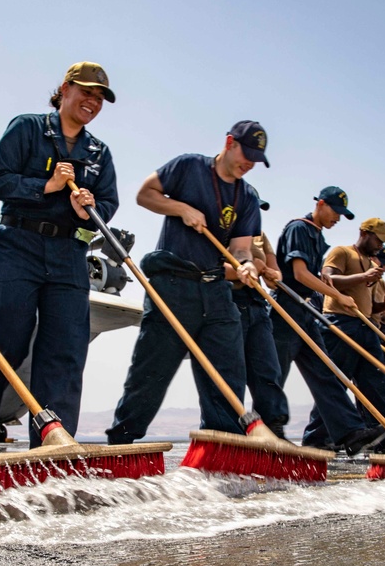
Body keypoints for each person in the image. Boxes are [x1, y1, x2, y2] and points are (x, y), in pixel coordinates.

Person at [0, 62, 119, 454]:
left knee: (65, 351)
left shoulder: (99, 153)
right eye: (86, 92)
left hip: (70, 252)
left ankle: (53, 447)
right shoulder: (27, 128)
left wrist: (89, 208)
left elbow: (109, 203)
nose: (92, 102)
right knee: (4, 339)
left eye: (99, 97)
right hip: (18, 245)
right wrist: (47, 186)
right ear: (65, 89)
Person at [106, 121, 266, 444]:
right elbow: (144, 194)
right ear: (229, 142)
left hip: (217, 289)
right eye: (245, 154)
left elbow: (240, 248)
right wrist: (181, 209)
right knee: (151, 371)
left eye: (255, 159)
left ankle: (223, 446)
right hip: (173, 284)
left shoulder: (247, 196)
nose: (248, 164)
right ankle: (121, 442)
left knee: (227, 374)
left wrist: (247, 265)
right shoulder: (189, 166)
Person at [272, 189, 385, 455]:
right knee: (274, 375)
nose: (338, 219)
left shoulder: (318, 235)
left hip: (308, 309)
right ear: (320, 205)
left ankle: (350, 432)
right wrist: (337, 295)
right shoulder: (300, 228)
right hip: (288, 307)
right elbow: (300, 274)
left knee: (325, 374)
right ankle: (271, 433)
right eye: (335, 212)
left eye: (342, 215)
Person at [318, 219, 385, 435]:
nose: (380, 246)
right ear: (364, 233)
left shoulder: (371, 265)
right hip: (340, 323)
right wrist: (363, 277)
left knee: (376, 382)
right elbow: (326, 279)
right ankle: (317, 437)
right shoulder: (342, 252)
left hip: (365, 326)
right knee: (336, 383)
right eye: (378, 240)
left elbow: (367, 306)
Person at [226, 225, 292, 439]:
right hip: (229, 301)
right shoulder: (221, 226)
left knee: (268, 369)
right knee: (231, 371)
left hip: (257, 303)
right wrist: (254, 265)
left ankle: (273, 427)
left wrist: (271, 274)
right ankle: (229, 430)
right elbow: (212, 267)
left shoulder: (261, 236)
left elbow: (274, 278)